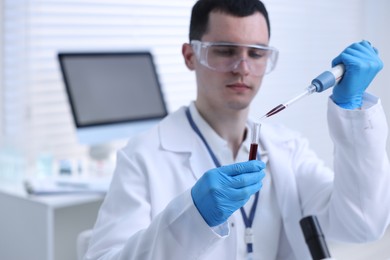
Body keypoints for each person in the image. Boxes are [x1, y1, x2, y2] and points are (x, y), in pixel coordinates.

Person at [85, 0, 390, 259]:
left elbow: (362, 224)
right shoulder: (144, 156)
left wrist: (351, 112)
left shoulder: (289, 149)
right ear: (191, 56)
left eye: (256, 53)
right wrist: (192, 218)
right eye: (226, 51)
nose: (243, 68)